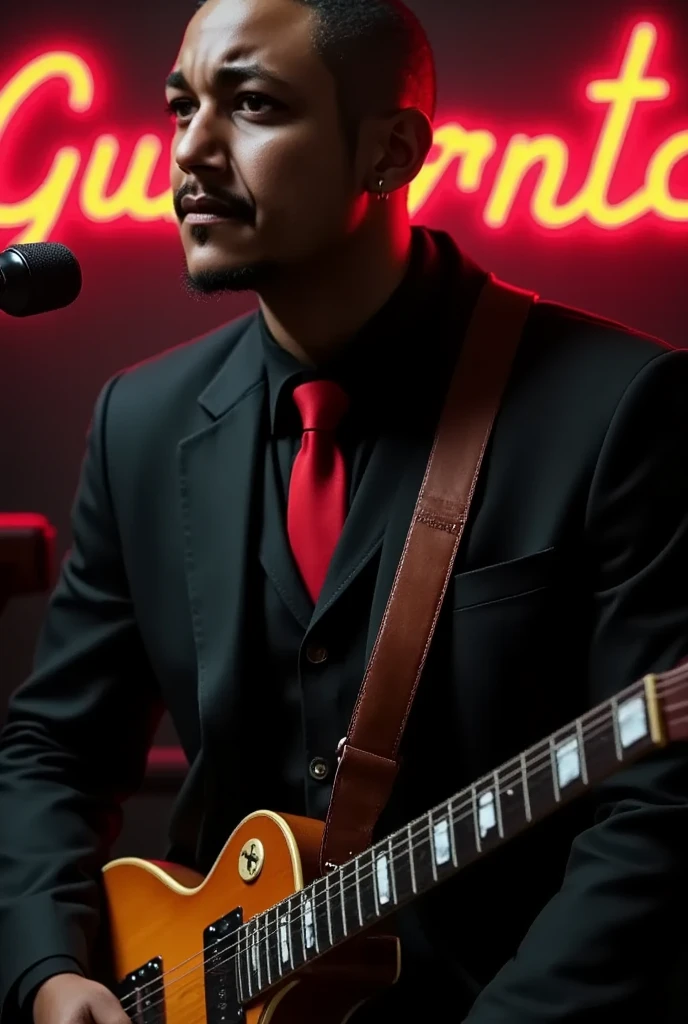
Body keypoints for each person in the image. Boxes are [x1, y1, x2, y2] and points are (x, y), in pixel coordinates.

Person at [1, 0, 688, 1021]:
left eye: (252, 105)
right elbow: (55, 749)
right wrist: (47, 972)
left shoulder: (620, 405)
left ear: (390, 151)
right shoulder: (139, 421)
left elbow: (664, 806)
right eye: (181, 106)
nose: (191, 148)